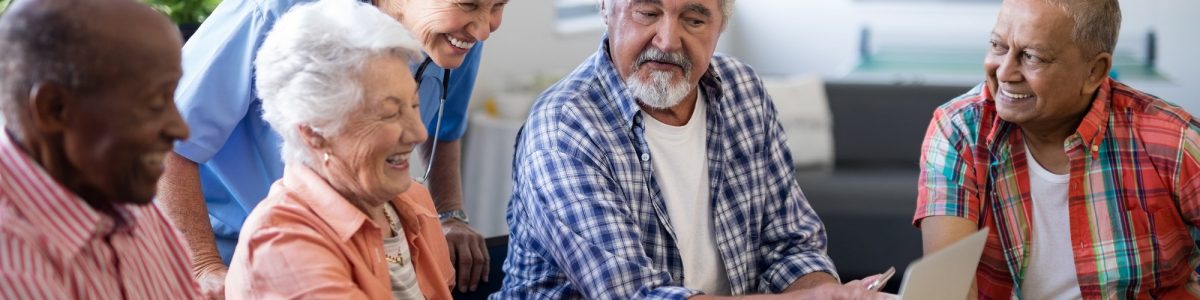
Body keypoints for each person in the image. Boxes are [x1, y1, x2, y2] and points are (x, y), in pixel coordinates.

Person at [495, 0, 889, 298]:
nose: (667, 41)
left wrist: (823, 290)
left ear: (721, 25)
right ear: (606, 8)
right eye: (647, 13)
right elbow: (636, 295)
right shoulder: (565, 127)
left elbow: (790, 242)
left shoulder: (743, 91)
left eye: (694, 19)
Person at [156, 0, 507, 296]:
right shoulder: (277, 11)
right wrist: (202, 264)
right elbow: (165, 136)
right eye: (468, 3)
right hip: (227, 243)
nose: (483, 29)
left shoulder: (453, 35)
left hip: (355, 233)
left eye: (500, 5)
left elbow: (444, 128)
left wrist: (449, 214)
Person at [915, 0, 1200, 298]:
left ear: (1094, 71)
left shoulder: (1174, 140)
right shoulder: (958, 130)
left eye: (1031, 56)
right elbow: (948, 292)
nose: (1004, 72)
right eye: (998, 46)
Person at [222, 1, 454, 298]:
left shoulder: (413, 202)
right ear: (314, 132)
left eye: (414, 105)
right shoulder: (283, 245)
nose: (419, 133)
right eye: (390, 113)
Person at [0, 0, 199, 298]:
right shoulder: (12, 263)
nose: (180, 130)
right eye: (155, 104)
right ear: (54, 109)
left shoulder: (124, 196)